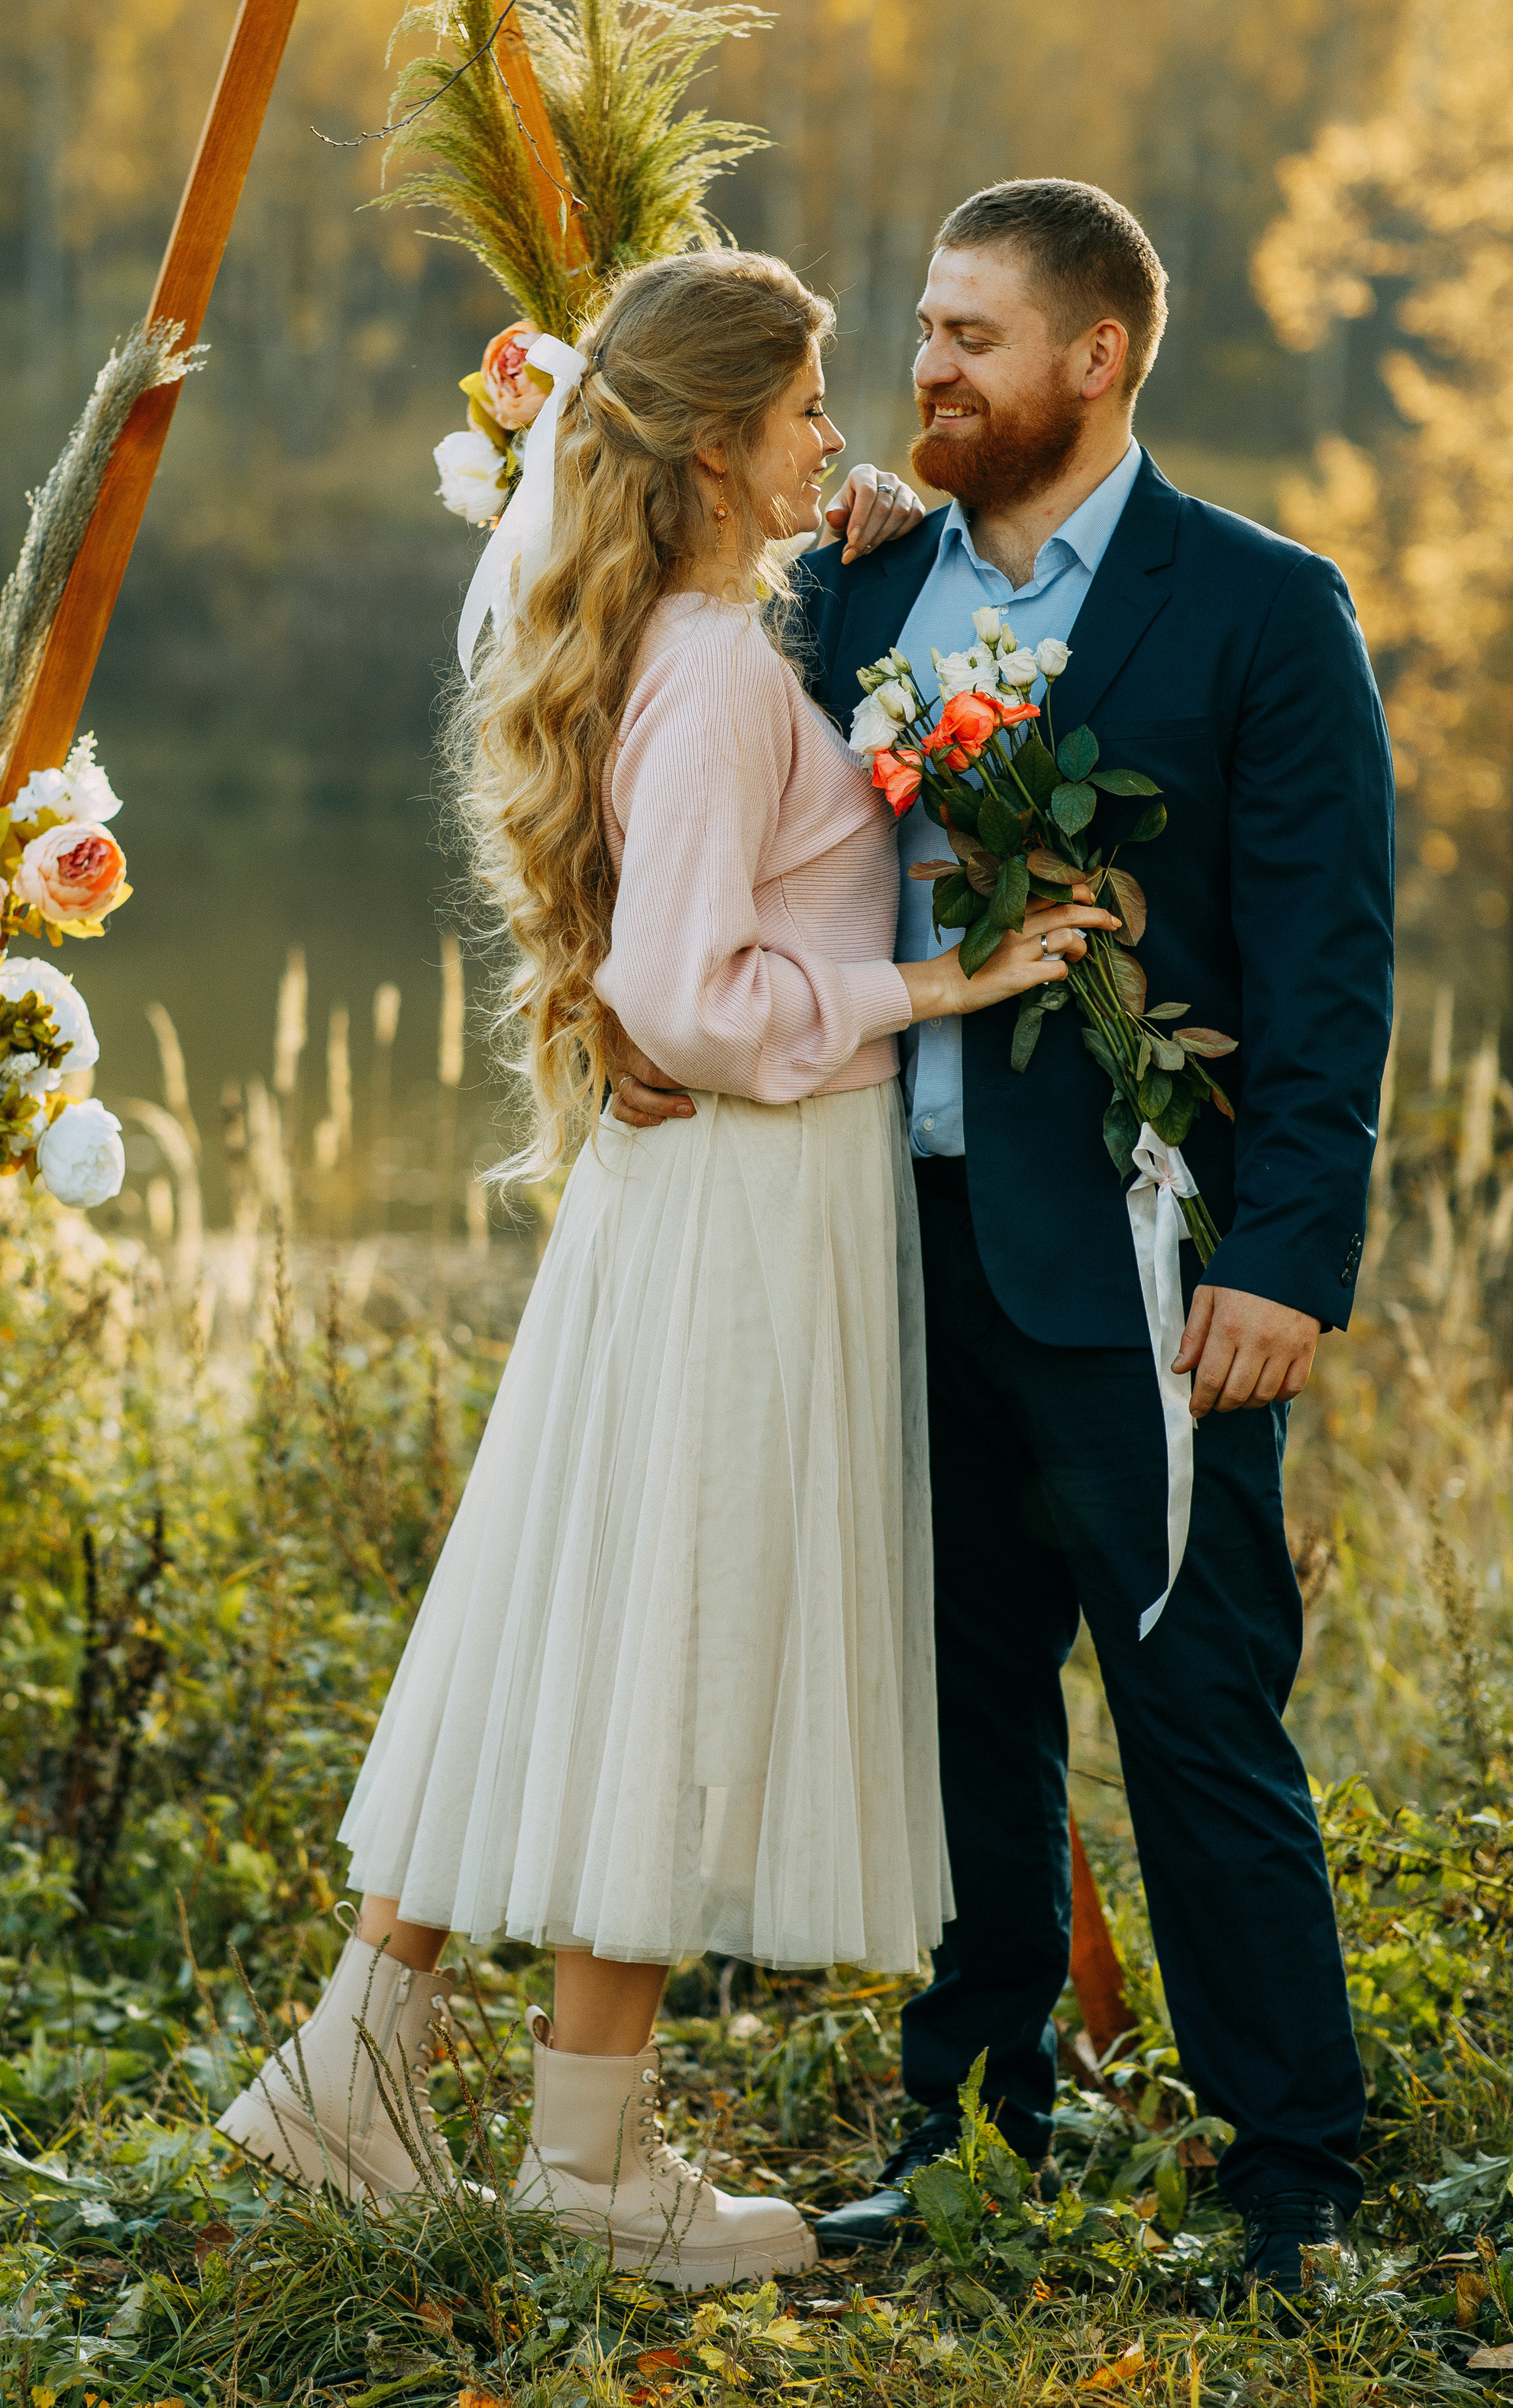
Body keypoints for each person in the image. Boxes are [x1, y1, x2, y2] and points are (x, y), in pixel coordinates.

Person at [214, 248, 1112, 2287]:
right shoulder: (709, 667)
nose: (842, 432)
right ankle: (590, 2168)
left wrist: (855, 553)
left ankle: (362, 2063)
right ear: (718, 440)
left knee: (591, 1605)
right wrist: (931, 974)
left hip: (723, 1193)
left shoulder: (710, 627)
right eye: (807, 405)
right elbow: (688, 993)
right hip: (744, 1184)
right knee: (672, 1633)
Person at [611, 180, 1395, 2303]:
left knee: (1200, 1712)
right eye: (924, 333)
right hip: (890, 1251)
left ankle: (1291, 2169)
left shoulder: (1260, 611)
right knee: (957, 1718)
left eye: (970, 337)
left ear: (1096, 357)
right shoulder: (849, 598)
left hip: (1150, 1275)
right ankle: (964, 2145)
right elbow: (716, 846)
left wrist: (1287, 1257)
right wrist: (628, 1027)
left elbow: (1331, 972)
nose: (927, 372)